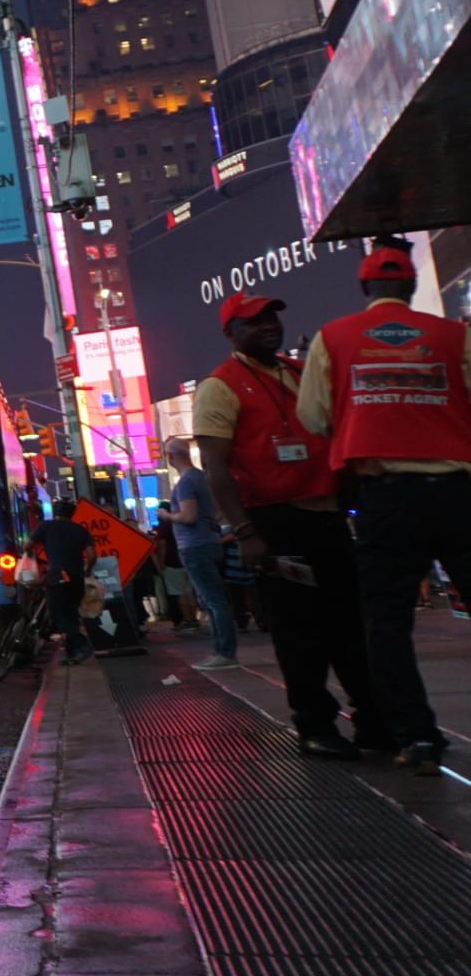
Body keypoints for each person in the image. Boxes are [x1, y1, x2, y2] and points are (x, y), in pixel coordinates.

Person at [298, 238, 471, 774]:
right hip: (458, 492)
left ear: (364, 287)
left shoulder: (333, 338)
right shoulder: (455, 334)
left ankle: (417, 738)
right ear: (413, 285)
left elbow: (313, 416)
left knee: (387, 622)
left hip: (387, 497)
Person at [196, 290, 377, 759]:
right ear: (231, 333)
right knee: (299, 633)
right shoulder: (220, 385)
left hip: (327, 517)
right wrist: (245, 533)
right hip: (274, 522)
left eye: (272, 318)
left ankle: (373, 722)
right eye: (254, 321)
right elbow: (216, 468)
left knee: (350, 627)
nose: (268, 327)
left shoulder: (298, 373)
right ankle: (315, 726)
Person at [163, 437, 236, 669]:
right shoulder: (202, 478)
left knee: (212, 600)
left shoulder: (186, 482)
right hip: (210, 541)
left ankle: (224, 652)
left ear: (170, 457)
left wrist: (167, 516)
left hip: (195, 545)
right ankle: (223, 650)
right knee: (213, 599)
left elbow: (188, 516)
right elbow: (217, 512)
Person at [34, 502, 94, 663]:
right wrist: (87, 570)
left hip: (58, 576)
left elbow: (28, 545)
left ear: (55, 513)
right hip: (77, 578)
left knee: (57, 614)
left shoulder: (46, 526)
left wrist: (29, 559)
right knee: (71, 614)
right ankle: (73, 654)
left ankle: (82, 644)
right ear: (72, 514)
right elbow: (92, 556)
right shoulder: (80, 530)